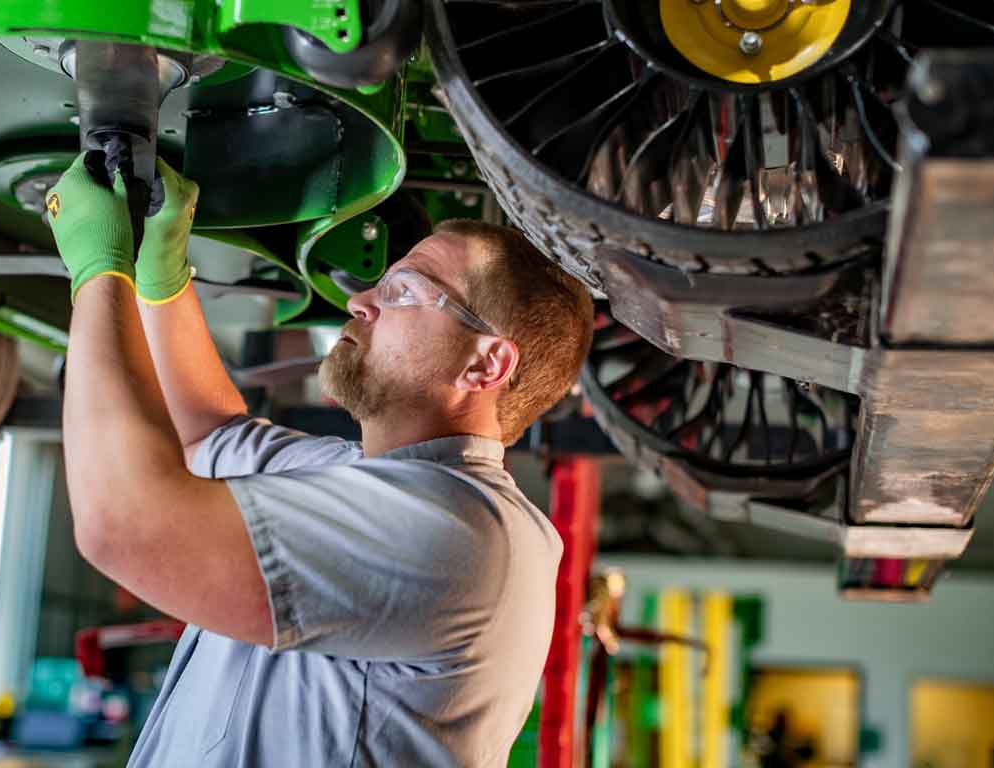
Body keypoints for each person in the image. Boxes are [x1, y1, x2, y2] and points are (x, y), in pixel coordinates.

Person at [46, 150, 594, 767]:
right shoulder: (360, 480)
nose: (363, 303)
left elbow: (125, 525)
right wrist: (162, 274)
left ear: (486, 364)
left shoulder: (464, 532)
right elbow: (203, 435)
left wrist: (98, 270)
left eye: (406, 291)